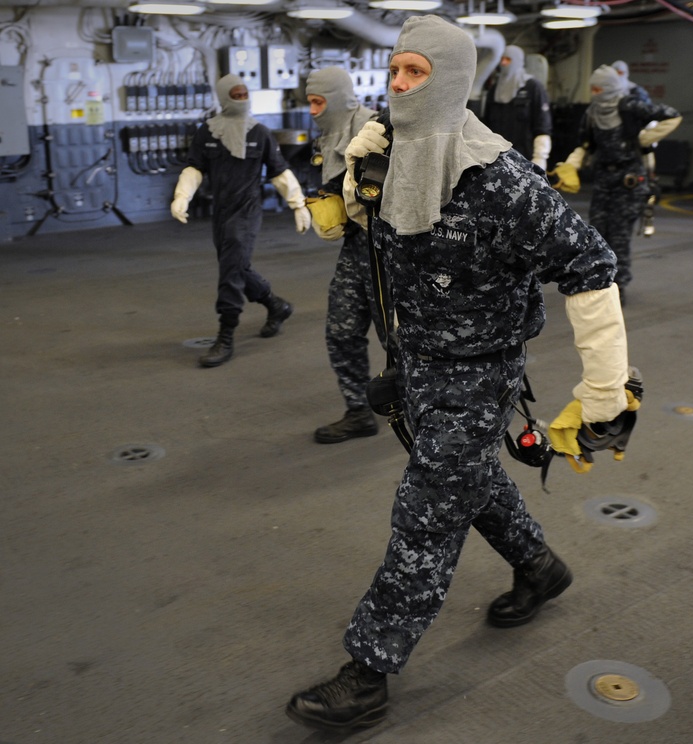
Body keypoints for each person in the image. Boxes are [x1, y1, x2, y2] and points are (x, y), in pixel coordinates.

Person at [284, 15, 636, 732]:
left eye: (418, 72)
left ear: (450, 79)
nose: (401, 85)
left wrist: (604, 391)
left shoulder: (497, 178)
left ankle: (371, 670)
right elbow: (375, 252)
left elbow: (591, 263)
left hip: (479, 375)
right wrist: (350, 185)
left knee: (425, 513)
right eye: (396, 70)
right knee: (467, 482)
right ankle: (539, 566)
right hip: (416, 364)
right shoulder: (388, 152)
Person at [171, 74, 310, 368]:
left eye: (245, 93)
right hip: (220, 211)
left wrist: (298, 204)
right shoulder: (207, 132)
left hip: (247, 211)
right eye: (235, 94)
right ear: (223, 97)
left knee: (231, 267)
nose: (242, 98)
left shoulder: (259, 133)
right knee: (235, 265)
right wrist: (182, 196)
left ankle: (226, 333)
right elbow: (194, 168)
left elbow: (279, 172)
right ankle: (276, 305)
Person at [550, 64, 682, 304]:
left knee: (619, 236)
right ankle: (601, 282)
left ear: (610, 88)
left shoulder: (629, 106)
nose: (595, 93)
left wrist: (644, 139)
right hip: (604, 180)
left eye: (599, 88)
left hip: (629, 182)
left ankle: (619, 285)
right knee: (597, 233)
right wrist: (571, 165)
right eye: (593, 89)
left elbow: (672, 115)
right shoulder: (593, 112)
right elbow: (585, 144)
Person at [304, 66, 385, 444]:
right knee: (341, 329)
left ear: (336, 98)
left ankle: (424, 413)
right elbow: (331, 182)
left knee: (399, 338)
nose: (313, 111)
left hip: (390, 249)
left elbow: (387, 194)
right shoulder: (326, 136)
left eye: (319, 102)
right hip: (357, 248)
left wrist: (352, 206)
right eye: (309, 103)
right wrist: (327, 207)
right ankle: (358, 411)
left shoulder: (377, 132)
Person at [481, 44, 553, 170]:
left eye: (508, 60)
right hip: (497, 159)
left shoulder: (533, 87)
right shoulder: (494, 90)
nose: (503, 63)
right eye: (502, 59)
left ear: (517, 61)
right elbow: (486, 125)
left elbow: (542, 125)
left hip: (525, 158)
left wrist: (540, 157)